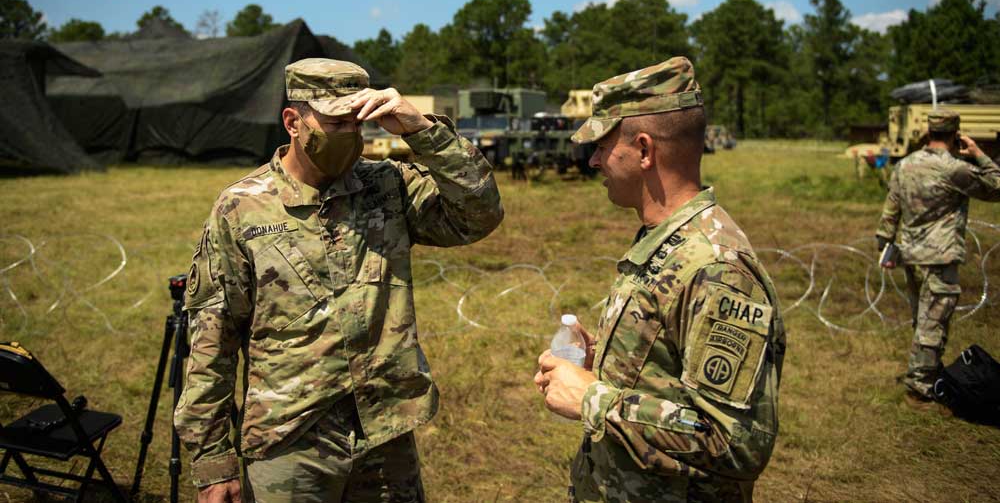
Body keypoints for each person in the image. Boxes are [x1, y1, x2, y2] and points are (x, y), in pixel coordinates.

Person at [174, 58, 504, 502]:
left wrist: (420, 129)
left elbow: (479, 213)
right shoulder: (242, 208)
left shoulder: (387, 186)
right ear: (293, 121)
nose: (350, 134)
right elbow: (213, 338)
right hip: (289, 439)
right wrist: (213, 462)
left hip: (385, 430)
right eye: (336, 122)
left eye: (357, 122)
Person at [534, 57, 786, 502]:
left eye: (602, 145)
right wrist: (606, 367)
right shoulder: (665, 240)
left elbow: (737, 443)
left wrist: (593, 399)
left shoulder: (716, 268)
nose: (592, 160)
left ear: (646, 150)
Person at [876, 109, 1000, 410]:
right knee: (934, 322)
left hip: (911, 254)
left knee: (923, 318)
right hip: (939, 257)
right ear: (955, 134)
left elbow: (890, 211)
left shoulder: (905, 165)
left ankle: (928, 372)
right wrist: (980, 154)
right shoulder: (954, 169)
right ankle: (919, 388)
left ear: (929, 132)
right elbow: (996, 186)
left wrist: (886, 245)